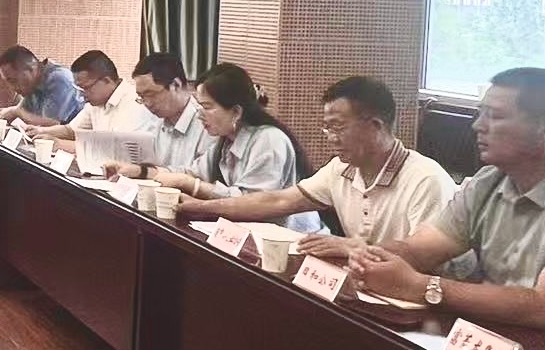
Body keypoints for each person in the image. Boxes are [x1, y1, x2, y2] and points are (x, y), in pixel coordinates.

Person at [349, 68, 545, 341]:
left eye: (494, 116)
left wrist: (422, 287)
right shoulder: (489, 180)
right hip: (488, 337)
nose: (478, 126)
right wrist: (372, 257)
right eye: (480, 113)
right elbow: (419, 250)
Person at [168, 76, 455, 260]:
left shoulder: (425, 179)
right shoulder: (340, 169)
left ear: (376, 126)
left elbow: (423, 254)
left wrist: (352, 247)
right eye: (326, 128)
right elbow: (276, 201)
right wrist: (199, 208)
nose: (330, 138)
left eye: (337, 127)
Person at [146, 62, 322, 234]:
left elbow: (252, 202)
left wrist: (193, 186)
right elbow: (192, 172)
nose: (199, 115)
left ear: (236, 112)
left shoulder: (269, 140)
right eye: (199, 106)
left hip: (292, 239)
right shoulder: (226, 139)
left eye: (207, 107)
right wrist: (144, 172)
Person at [29, 50, 157, 150]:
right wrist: (40, 131)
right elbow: (72, 130)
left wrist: (60, 144)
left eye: (86, 88)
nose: (81, 96)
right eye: (79, 88)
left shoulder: (134, 104)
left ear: (106, 80)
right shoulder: (95, 103)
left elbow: (116, 150)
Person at [108, 51, 212, 173]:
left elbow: (200, 175)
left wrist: (143, 172)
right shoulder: (152, 120)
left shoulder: (207, 124)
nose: (147, 103)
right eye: (142, 97)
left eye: (151, 94)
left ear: (176, 85)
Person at [0, 45, 82, 127]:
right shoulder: (33, 85)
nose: (12, 88)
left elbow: (53, 123)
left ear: (31, 69)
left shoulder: (60, 78)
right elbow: (23, 113)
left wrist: (17, 112)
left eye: (13, 80)